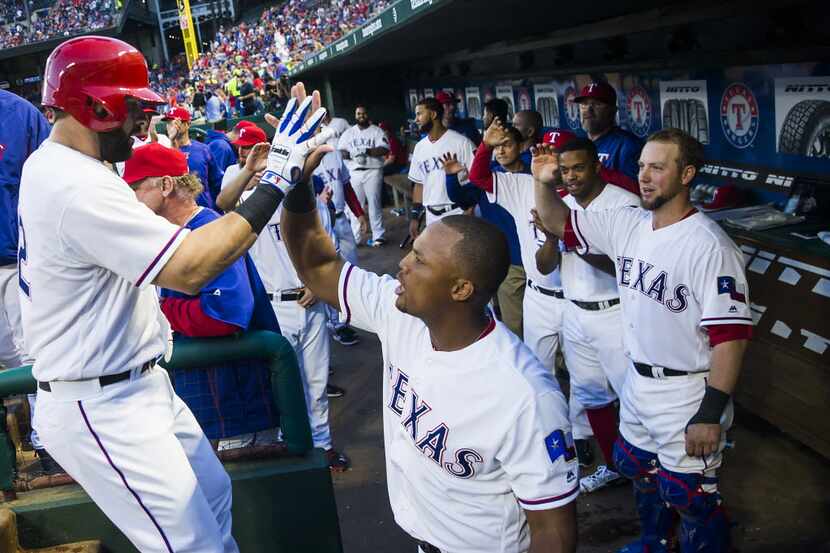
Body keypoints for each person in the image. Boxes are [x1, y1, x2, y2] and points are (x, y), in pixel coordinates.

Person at [21, 35, 331, 553]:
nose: (144, 122)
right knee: (191, 546)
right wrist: (277, 176)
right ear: (95, 106)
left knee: (214, 501)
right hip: (100, 404)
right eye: (134, 107)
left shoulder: (64, 164)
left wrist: (265, 173)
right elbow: (191, 268)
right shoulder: (74, 184)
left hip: (136, 384)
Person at [279, 172, 579, 551]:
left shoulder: (525, 395)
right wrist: (297, 186)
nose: (403, 263)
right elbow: (319, 266)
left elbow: (553, 533)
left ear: (461, 288)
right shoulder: (400, 313)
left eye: (419, 260)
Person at [532, 128, 752, 553]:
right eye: (641, 166)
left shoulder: (710, 245)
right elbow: (559, 223)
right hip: (638, 383)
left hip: (686, 389)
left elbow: (731, 338)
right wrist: (544, 183)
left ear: (686, 174)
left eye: (658, 166)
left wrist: (709, 413)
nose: (645, 176)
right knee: (639, 470)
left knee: (692, 497)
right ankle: (654, 542)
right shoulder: (629, 224)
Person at [124, 143, 279, 447]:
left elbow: (224, 316)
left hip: (236, 405)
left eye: (136, 189)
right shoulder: (173, 234)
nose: (130, 200)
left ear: (166, 185)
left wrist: (159, 310)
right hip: (210, 400)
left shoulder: (207, 228)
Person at [217, 141, 350, 471]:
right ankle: (287, 446)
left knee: (317, 384)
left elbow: (328, 251)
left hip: (311, 301)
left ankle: (323, 445)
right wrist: (249, 170)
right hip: (275, 306)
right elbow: (223, 202)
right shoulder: (252, 205)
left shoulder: (307, 205)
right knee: (281, 385)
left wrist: (318, 284)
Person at [533, 137, 640, 494]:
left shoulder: (624, 204)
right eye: (564, 170)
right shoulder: (558, 205)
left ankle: (649, 476)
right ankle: (615, 465)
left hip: (616, 313)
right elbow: (545, 266)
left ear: (596, 166)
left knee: (634, 398)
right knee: (592, 396)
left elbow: (624, 268)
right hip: (574, 312)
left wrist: (571, 236)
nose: (571, 176)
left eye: (578, 167)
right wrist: (552, 238)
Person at [0, 89, 60, 475]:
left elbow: (49, 181)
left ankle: (49, 446)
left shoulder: (17, 113)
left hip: (14, 261)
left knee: (33, 355)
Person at [443, 125, 525, 339]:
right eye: (496, 147)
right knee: (512, 320)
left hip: (535, 259)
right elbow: (461, 198)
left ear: (521, 145)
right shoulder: (489, 177)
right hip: (506, 258)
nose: (501, 151)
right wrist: (452, 177)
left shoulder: (534, 173)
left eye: (507, 144)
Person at [311, 143, 369, 347]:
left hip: (340, 218)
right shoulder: (303, 158)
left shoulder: (334, 152)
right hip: (318, 221)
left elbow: (346, 186)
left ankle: (348, 315)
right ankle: (335, 324)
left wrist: (359, 213)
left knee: (350, 271)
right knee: (329, 273)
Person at [408, 97, 475, 240]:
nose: (416, 119)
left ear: (433, 115)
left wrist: (472, 208)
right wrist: (415, 216)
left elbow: (477, 178)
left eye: (420, 114)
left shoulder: (461, 143)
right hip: (431, 215)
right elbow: (419, 184)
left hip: (457, 211)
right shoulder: (420, 147)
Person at [337, 105, 389, 247]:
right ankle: (356, 237)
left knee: (374, 203)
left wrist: (366, 151)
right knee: (356, 205)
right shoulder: (349, 133)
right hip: (354, 172)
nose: (361, 116)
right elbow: (340, 151)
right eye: (359, 114)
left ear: (367, 115)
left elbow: (384, 149)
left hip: (373, 170)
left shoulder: (377, 131)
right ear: (355, 116)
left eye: (363, 114)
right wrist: (352, 154)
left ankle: (379, 235)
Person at [574, 82, 643, 182]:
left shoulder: (628, 146)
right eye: (584, 104)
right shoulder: (578, 143)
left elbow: (632, 189)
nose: (588, 110)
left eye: (597, 104)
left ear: (613, 111)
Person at [164, 106, 225, 209]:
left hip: (203, 209)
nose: (172, 126)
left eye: (176, 122)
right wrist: (171, 140)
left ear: (187, 124)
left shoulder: (203, 149)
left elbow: (217, 182)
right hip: (176, 212)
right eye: (169, 123)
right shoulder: (164, 150)